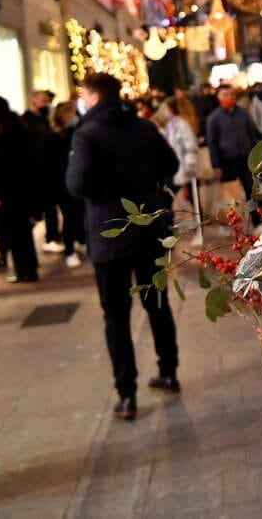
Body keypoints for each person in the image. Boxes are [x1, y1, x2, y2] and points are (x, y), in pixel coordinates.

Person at [66, 73, 181, 421]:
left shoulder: (86, 134)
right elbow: (171, 164)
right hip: (147, 230)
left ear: (94, 97)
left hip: (109, 237)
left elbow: (76, 184)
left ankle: (126, 394)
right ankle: (169, 371)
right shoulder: (143, 127)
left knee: (115, 316)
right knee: (157, 304)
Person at [0, 97, 39, 283]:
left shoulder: (2, 134)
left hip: (8, 191)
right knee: (23, 231)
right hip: (22, 187)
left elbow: (1, 168)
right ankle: (29, 268)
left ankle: (23, 269)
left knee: (14, 232)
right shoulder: (17, 126)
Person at [42, 102, 86, 268]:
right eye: (72, 113)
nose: (75, 116)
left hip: (73, 180)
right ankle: (70, 250)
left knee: (76, 214)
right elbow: (50, 165)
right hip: (61, 184)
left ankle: (79, 240)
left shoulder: (72, 132)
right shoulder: (52, 137)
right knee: (69, 217)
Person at [207, 84, 260, 206]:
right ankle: (236, 216)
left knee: (252, 190)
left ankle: (255, 216)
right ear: (219, 97)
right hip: (226, 161)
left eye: (231, 94)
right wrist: (216, 165)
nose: (229, 97)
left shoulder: (243, 113)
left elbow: (252, 135)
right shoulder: (214, 118)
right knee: (232, 195)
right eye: (225, 95)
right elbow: (212, 143)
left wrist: (258, 157)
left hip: (246, 159)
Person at [24, 90, 61, 253]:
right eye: (43, 100)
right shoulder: (27, 120)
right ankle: (51, 236)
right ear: (33, 100)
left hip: (49, 168)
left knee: (51, 206)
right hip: (37, 169)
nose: (46, 104)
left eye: (47, 101)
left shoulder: (46, 118)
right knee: (45, 207)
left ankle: (53, 235)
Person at [157, 98, 199, 202]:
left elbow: (190, 145)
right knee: (167, 198)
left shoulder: (182, 124)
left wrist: (190, 164)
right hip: (175, 167)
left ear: (171, 109)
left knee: (193, 198)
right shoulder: (169, 124)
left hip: (185, 167)